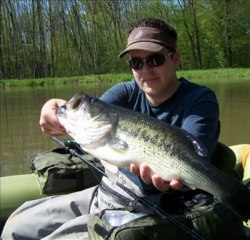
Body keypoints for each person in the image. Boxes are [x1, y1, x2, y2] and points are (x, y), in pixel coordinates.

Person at [1, 18, 222, 239]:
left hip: (152, 207)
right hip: (108, 191)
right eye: (136, 63)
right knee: (15, 227)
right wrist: (52, 107)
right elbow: (92, 112)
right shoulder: (126, 92)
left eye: (154, 59)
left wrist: (174, 180)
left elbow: (190, 157)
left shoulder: (200, 100)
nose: (145, 70)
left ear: (175, 59)